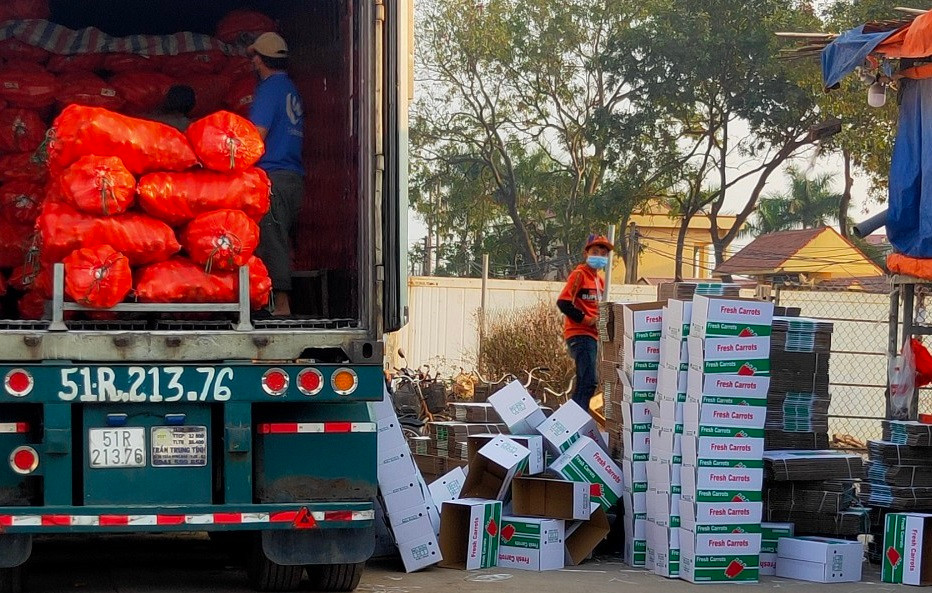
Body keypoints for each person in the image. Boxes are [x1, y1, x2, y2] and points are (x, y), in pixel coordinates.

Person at [247, 32, 306, 316]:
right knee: (279, 236)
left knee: (271, 239)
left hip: (272, 178)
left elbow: (255, 137)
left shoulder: (269, 89)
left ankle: (279, 307)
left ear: (263, 60)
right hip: (292, 177)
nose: (253, 62)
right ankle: (274, 304)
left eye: (255, 57)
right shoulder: (289, 88)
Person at [557, 234, 613, 411]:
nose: (600, 256)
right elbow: (564, 302)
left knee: (585, 381)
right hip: (580, 333)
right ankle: (575, 418)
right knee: (589, 381)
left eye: (603, 254)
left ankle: (573, 417)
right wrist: (586, 319)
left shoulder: (600, 281)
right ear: (586, 253)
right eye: (595, 252)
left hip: (592, 335)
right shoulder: (579, 275)